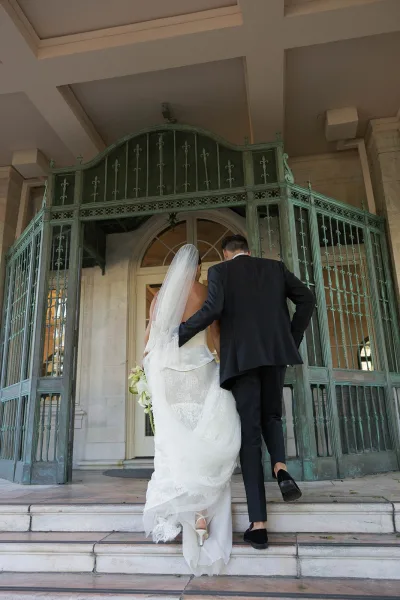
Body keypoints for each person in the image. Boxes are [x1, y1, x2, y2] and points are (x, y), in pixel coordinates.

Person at [179, 235, 315, 550]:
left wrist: (179, 334)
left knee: (250, 437)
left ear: (226, 255)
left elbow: (211, 311)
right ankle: (280, 467)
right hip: (275, 354)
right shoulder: (275, 268)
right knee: (273, 415)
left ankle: (259, 525)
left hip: (241, 360)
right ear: (249, 251)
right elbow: (307, 299)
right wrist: (289, 339)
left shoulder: (220, 273)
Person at [142, 245, 241, 576]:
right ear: (198, 269)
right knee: (203, 436)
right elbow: (214, 339)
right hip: (197, 373)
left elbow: (149, 341)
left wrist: (142, 375)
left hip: (167, 375)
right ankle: (200, 514)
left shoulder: (159, 298)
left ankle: (172, 517)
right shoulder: (203, 291)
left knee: (172, 443)